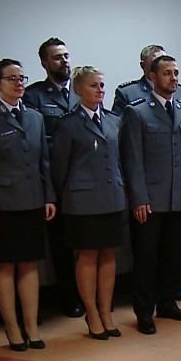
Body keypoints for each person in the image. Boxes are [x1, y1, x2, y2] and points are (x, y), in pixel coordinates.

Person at [0, 59, 57, 351]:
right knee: (4, 267)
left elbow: (44, 162)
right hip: (2, 204)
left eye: (22, 79)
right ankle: (12, 327)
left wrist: (48, 196)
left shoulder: (34, 117)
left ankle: (31, 326)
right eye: (12, 79)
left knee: (30, 265)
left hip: (31, 200)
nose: (19, 84)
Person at [119, 55, 181, 334]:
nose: (173, 78)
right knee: (146, 258)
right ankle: (144, 311)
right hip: (150, 200)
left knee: (174, 255)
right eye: (167, 73)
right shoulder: (137, 112)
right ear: (153, 77)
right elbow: (132, 160)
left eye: (176, 73)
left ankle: (168, 302)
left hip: (180, 195)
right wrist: (139, 198)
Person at [50, 66, 126, 340]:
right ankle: (91, 313)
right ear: (79, 89)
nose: (100, 90)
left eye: (102, 85)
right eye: (94, 85)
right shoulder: (68, 124)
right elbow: (59, 168)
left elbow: (119, 159)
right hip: (82, 201)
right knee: (88, 256)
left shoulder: (113, 120)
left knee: (109, 255)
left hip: (111, 196)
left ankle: (106, 311)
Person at [25, 37, 82, 319]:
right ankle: (70, 297)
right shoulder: (33, 96)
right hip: (54, 180)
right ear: (45, 63)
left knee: (86, 242)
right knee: (61, 246)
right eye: (58, 57)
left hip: (83, 180)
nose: (64, 61)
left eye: (66, 56)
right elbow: (36, 144)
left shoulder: (81, 91)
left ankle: (90, 294)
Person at [112, 44, 181, 116]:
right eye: (157, 61)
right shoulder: (127, 93)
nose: (163, 65)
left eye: (165, 60)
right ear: (143, 65)